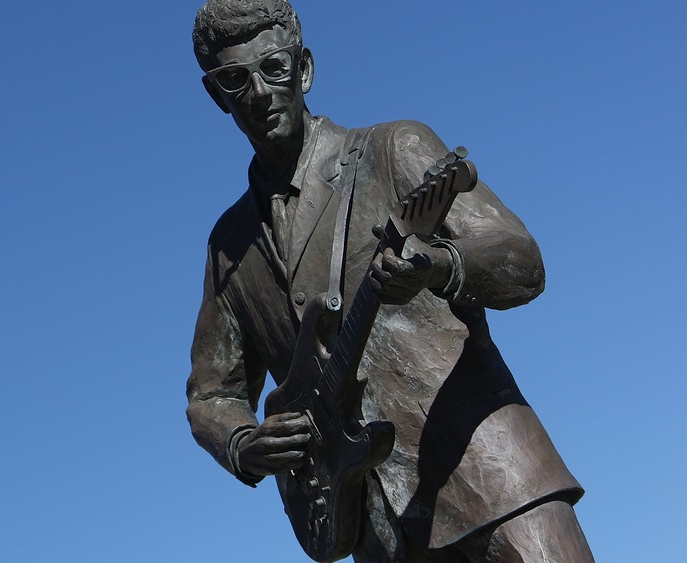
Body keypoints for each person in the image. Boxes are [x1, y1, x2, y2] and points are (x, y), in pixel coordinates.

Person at [185, 1, 594, 561]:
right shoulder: (227, 243)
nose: (258, 92)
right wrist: (241, 442)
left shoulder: (393, 147)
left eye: (274, 68)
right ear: (216, 95)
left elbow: (523, 261)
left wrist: (440, 266)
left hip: (491, 473)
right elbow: (212, 393)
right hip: (374, 525)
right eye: (235, 80)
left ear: (303, 69)